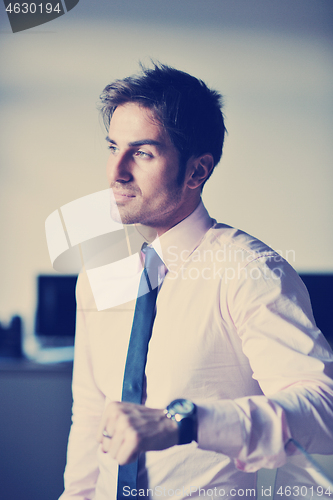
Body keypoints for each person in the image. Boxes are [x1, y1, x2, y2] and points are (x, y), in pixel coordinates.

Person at [59, 63, 333, 500]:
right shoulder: (98, 275)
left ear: (196, 172)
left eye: (142, 153)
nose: (116, 172)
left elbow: (324, 409)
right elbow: (92, 415)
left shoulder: (250, 271)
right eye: (114, 147)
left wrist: (186, 422)